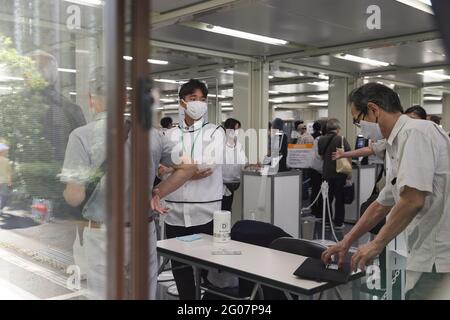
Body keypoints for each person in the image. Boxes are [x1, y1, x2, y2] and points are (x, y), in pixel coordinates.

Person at [60, 68, 197, 299]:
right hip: (143, 230)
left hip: (103, 234)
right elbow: (189, 166)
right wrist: (157, 192)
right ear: (125, 98)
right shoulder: (152, 135)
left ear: (91, 99)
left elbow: (75, 196)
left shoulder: (81, 136)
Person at [322, 83, 450, 300]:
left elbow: (412, 200)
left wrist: (376, 244)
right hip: (416, 250)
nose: (359, 127)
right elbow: (382, 203)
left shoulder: (417, 133)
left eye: (357, 119)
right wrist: (347, 241)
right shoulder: (396, 143)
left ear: (373, 109)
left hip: (434, 255)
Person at [162, 79, 226, 300]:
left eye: (202, 99)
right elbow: (159, 170)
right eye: (193, 99)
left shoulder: (215, 132)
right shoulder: (169, 134)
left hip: (205, 212)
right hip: (174, 213)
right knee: (180, 268)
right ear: (182, 103)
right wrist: (185, 168)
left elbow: (208, 166)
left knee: (207, 267)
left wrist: (174, 166)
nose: (199, 103)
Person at [318, 118, 351, 230]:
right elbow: (348, 155)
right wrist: (349, 171)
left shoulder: (321, 139)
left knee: (327, 198)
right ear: (337, 129)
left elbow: (321, 156)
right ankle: (338, 223)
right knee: (339, 199)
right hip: (339, 173)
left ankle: (327, 222)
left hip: (326, 173)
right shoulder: (341, 139)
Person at [222, 118, 246, 212]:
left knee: (228, 210)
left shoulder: (238, 144)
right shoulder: (220, 144)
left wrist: (250, 164)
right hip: (222, 184)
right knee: (221, 211)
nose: (237, 132)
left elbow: (243, 160)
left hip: (234, 183)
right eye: (235, 129)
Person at [0, 143, 12, 213]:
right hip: (3, 181)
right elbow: (9, 172)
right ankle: (0, 208)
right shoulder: (6, 160)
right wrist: (10, 181)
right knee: (2, 195)